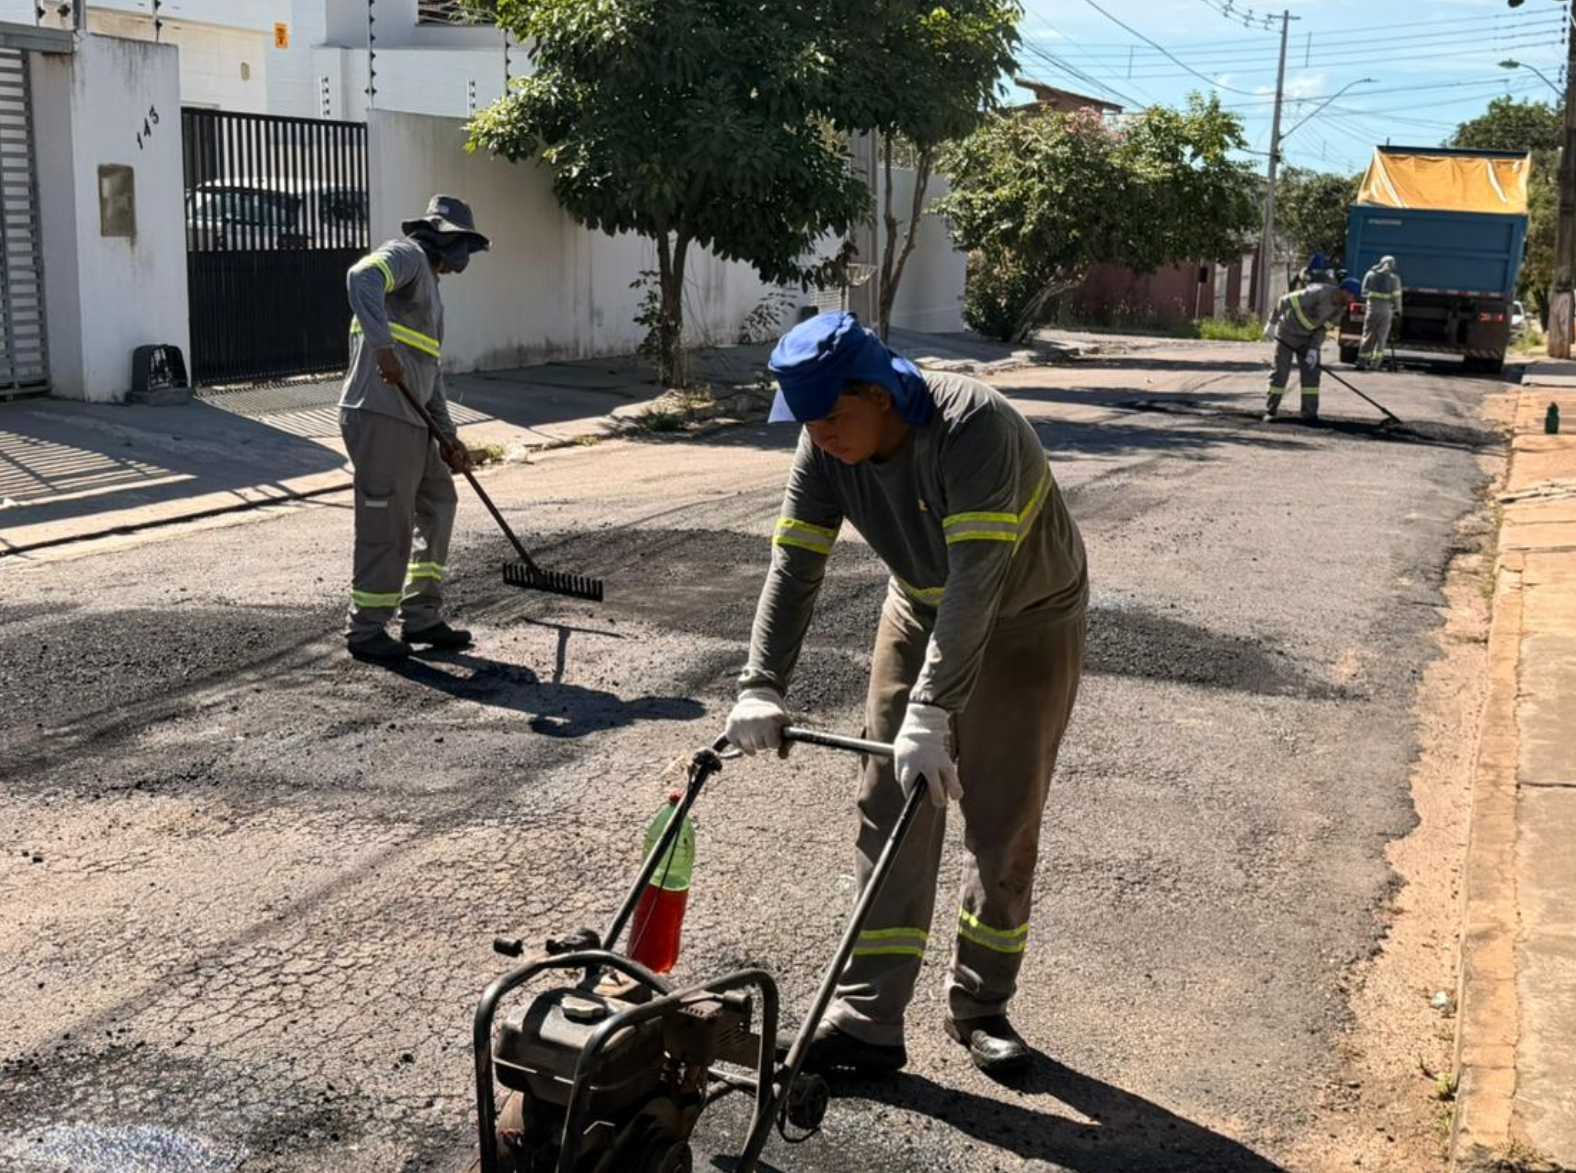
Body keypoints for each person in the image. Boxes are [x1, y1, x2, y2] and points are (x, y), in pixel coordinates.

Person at [725, 313, 1089, 1077]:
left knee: (1001, 811)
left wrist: (933, 710)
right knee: (889, 799)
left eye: (830, 415)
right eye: (804, 419)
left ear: (879, 394)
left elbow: (978, 587)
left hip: (1027, 616)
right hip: (919, 602)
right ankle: (867, 1017)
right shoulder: (823, 445)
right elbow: (795, 566)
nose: (818, 433)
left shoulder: (976, 429)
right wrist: (762, 683)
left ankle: (982, 1004)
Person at [339, 194, 489, 664]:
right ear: (445, 238)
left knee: (439, 502)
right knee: (389, 519)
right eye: (462, 244)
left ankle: (421, 615)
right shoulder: (406, 256)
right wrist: (381, 345)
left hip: (412, 416)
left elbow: (429, 375)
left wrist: (448, 436)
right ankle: (366, 629)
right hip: (381, 413)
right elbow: (360, 277)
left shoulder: (431, 289)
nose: (464, 258)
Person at [1264, 277, 1361, 423]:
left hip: (1308, 339)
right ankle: (1270, 410)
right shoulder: (1318, 293)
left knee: (1312, 375)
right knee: (1281, 373)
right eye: (1352, 295)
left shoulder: (1341, 308)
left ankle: (1309, 414)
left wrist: (1313, 349)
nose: (1352, 299)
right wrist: (1272, 323)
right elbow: (1285, 301)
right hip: (1288, 333)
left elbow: (1323, 329)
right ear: (1344, 291)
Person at [1358, 256, 1403, 370]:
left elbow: (1363, 293)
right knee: (1381, 338)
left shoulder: (1370, 275)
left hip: (1372, 309)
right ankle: (1375, 364)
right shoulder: (1394, 279)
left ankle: (1362, 362)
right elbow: (1397, 297)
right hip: (1386, 311)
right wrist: (1398, 310)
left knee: (1367, 336)